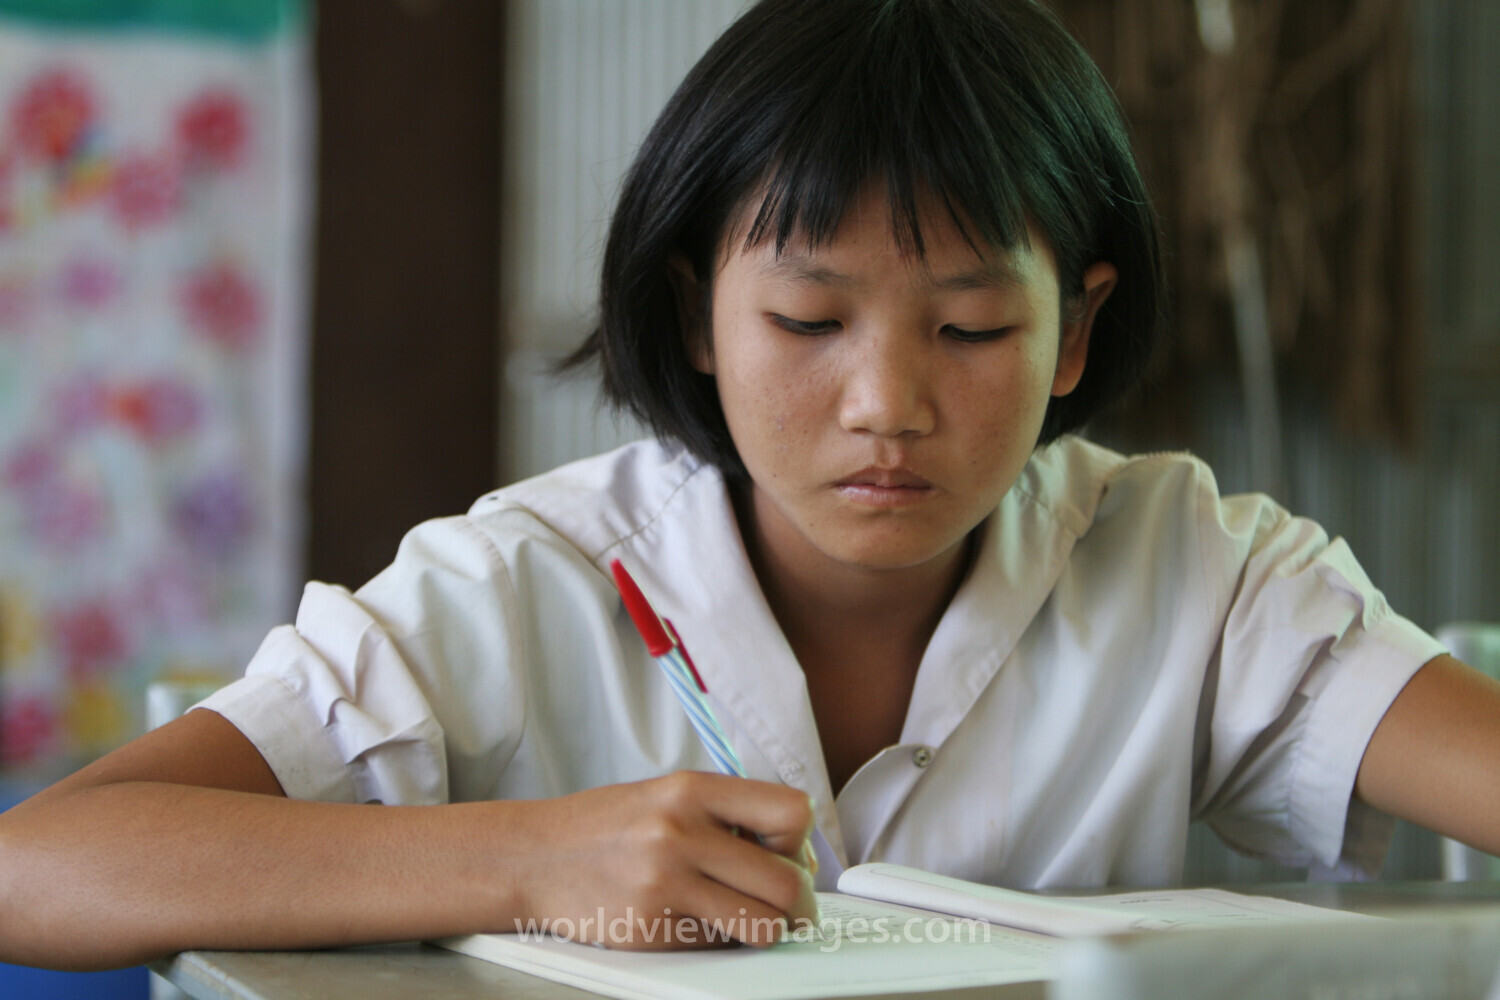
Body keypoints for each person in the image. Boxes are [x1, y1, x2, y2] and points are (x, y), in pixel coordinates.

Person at [3, 0, 1499, 972]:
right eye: (806, 320)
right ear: (695, 317)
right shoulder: (517, 583)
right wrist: (531, 858)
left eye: (973, 327)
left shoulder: (1197, 572)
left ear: (1078, 332)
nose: (887, 405)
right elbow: (40, 868)